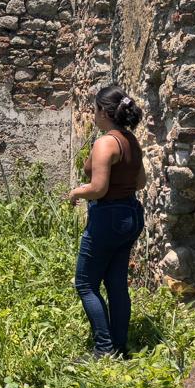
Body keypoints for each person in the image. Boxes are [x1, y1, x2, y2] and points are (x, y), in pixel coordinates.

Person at [67, 85, 147, 358]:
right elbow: (141, 182)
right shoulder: (131, 141)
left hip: (108, 217)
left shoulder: (105, 143)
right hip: (131, 215)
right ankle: (120, 347)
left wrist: (77, 191)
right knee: (116, 284)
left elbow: (98, 188)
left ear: (104, 111)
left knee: (85, 284)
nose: (93, 115)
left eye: (95, 109)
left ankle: (104, 350)